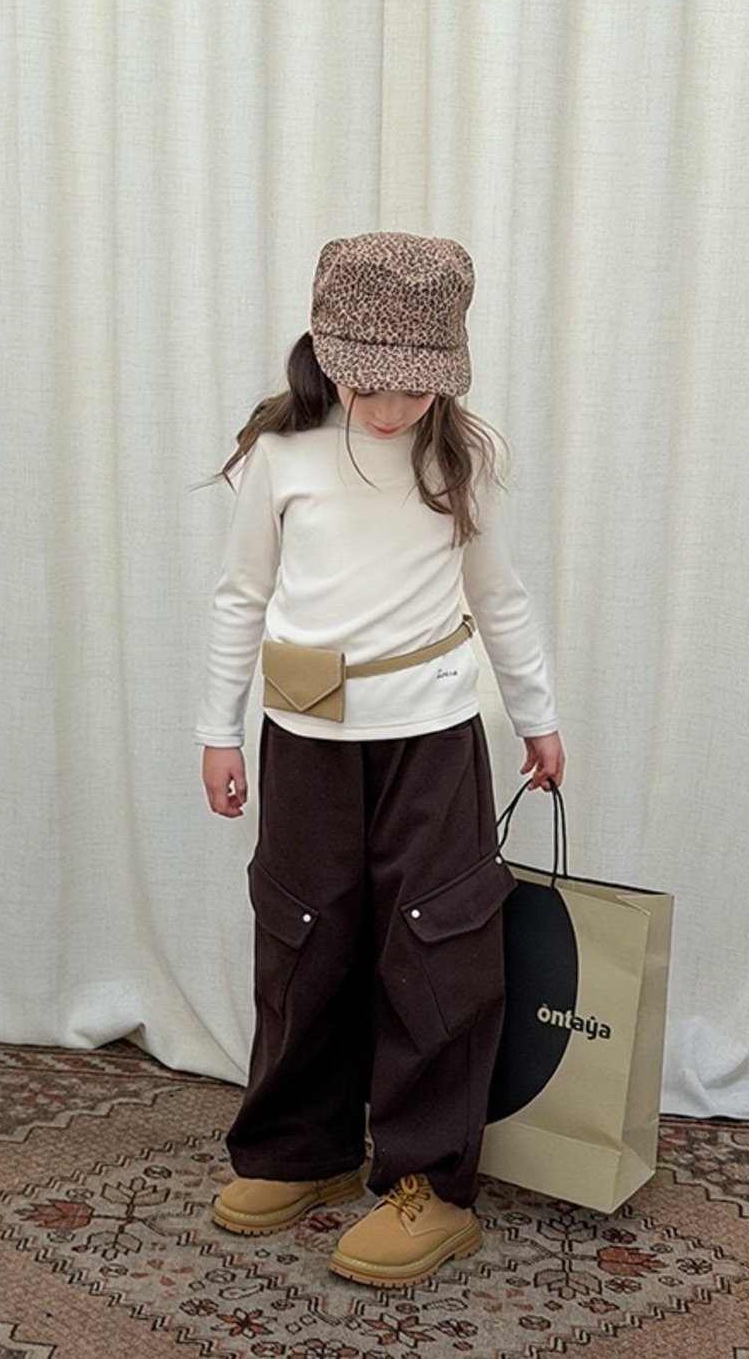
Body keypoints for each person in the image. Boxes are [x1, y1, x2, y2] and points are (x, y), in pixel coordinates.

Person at [195, 231, 564, 1287]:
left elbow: (499, 597)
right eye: (369, 381)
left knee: (438, 945)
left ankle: (428, 1183)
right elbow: (239, 596)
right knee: (302, 938)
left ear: (447, 371)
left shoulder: (461, 459)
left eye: (415, 384)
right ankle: (301, 1148)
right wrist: (217, 730)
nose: (392, 406)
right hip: (304, 740)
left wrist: (536, 717)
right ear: (328, 353)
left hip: (432, 737)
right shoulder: (282, 456)